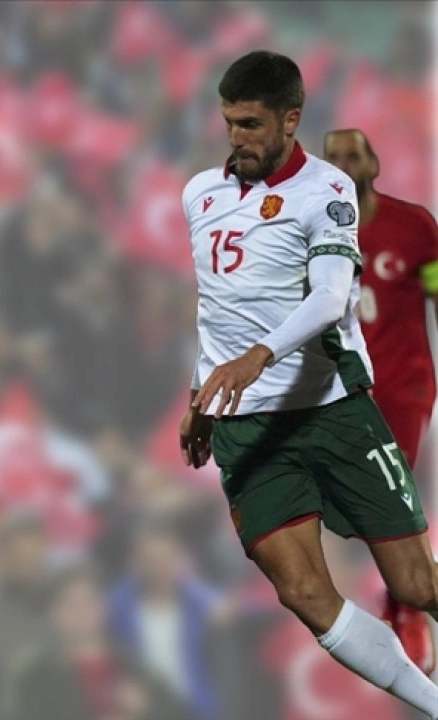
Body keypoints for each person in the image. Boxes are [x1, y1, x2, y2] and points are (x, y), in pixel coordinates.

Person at [180, 50, 438, 717]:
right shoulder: (200, 194)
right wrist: (200, 396)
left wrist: (257, 358)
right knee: (302, 592)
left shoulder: (327, 190)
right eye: (229, 123)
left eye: (251, 124)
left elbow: (329, 297)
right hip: (246, 429)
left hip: (332, 411)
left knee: (417, 585)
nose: (236, 138)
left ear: (290, 120)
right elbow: (218, 308)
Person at [324, 127, 438, 675]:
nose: (344, 165)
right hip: (343, 389)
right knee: (361, 498)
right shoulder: (309, 230)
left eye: (353, 155)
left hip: (405, 383)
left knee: (397, 488)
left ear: (374, 165)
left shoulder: (414, 227)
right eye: (334, 158)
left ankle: (407, 605)